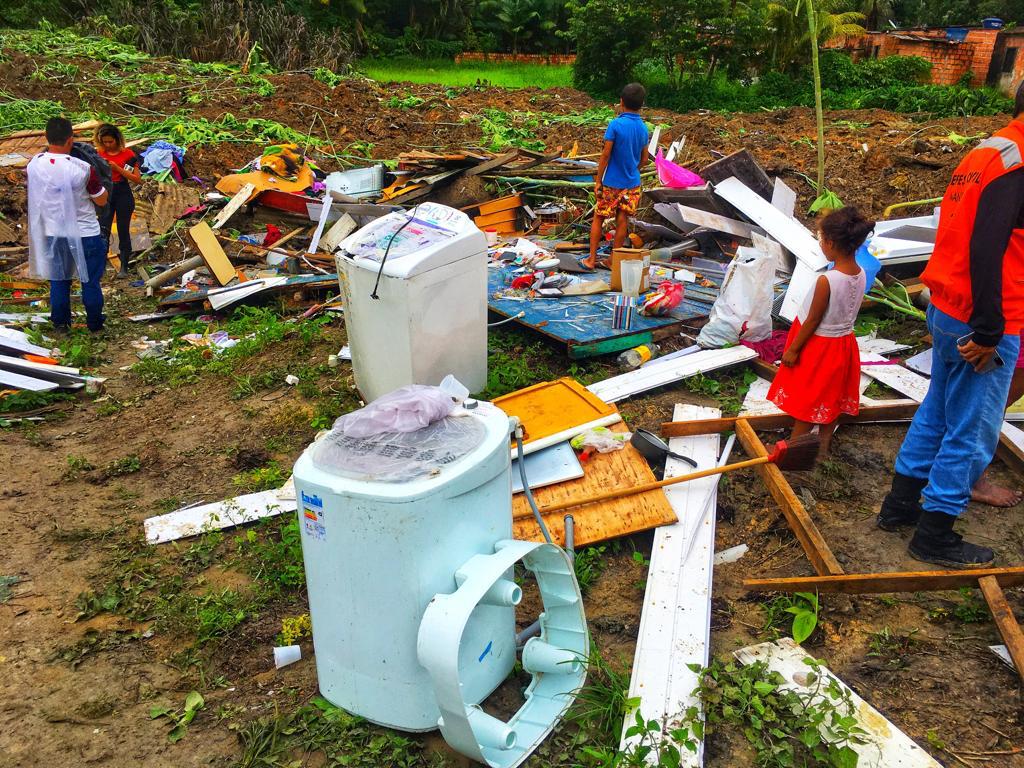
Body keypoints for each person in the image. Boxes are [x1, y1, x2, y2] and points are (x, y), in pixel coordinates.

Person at [878, 82, 1024, 568]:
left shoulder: (986, 151)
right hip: (983, 315)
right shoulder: (1018, 161)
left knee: (938, 410)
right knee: (972, 428)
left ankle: (899, 507)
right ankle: (935, 533)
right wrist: (987, 329)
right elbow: (988, 246)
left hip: (948, 303)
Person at [767, 207, 870, 456]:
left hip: (819, 346)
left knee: (808, 400)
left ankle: (792, 452)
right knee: (830, 399)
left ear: (831, 243)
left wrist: (792, 349)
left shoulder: (828, 280)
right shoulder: (861, 273)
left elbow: (813, 320)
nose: (820, 244)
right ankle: (822, 447)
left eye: (821, 239)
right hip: (844, 344)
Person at [26, 117, 109, 332]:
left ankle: (61, 324)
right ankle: (94, 324)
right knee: (89, 281)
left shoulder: (34, 165)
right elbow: (101, 199)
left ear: (46, 138)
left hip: (53, 233)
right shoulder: (82, 169)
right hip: (85, 233)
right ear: (70, 139)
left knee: (59, 280)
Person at [582, 82, 649, 270]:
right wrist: (632, 170)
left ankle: (591, 260)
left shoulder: (615, 125)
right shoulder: (644, 129)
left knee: (599, 217)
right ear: (642, 104)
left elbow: (605, 155)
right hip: (632, 183)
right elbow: (644, 159)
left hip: (612, 182)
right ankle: (614, 261)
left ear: (621, 102)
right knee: (622, 220)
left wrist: (598, 181)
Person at [95, 123, 141, 278]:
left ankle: (124, 267)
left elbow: (136, 179)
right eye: (105, 142)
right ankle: (100, 268)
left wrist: (117, 168)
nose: (108, 145)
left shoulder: (128, 155)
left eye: (110, 142)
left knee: (123, 230)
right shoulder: (99, 154)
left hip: (122, 192)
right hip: (106, 193)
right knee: (103, 231)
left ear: (117, 140)